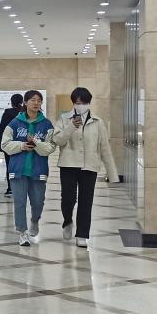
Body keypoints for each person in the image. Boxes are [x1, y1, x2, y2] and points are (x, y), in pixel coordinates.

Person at [52, 87, 119, 248]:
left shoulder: (98, 122)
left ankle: (82, 234)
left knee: (86, 201)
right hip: (68, 165)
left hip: (90, 166)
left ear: (89, 103)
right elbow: (58, 140)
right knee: (68, 199)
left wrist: (112, 173)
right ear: (73, 103)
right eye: (78, 103)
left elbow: (104, 148)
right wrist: (71, 127)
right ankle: (67, 221)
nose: (81, 106)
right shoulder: (64, 119)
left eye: (84, 103)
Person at [0, 90, 55, 247]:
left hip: (39, 170)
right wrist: (22, 145)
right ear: (25, 102)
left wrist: (36, 143)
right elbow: (5, 145)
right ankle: (22, 232)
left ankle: (35, 221)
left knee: (38, 202)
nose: (36, 103)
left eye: (39, 100)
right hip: (18, 170)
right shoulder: (14, 123)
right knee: (19, 202)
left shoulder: (46, 124)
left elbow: (50, 147)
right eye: (33, 100)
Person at [0, 93, 23, 198]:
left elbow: (2, 129)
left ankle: (11, 188)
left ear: (11, 102)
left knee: (10, 166)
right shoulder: (25, 112)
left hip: (10, 145)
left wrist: (0, 145)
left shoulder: (7, 113)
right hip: (22, 144)